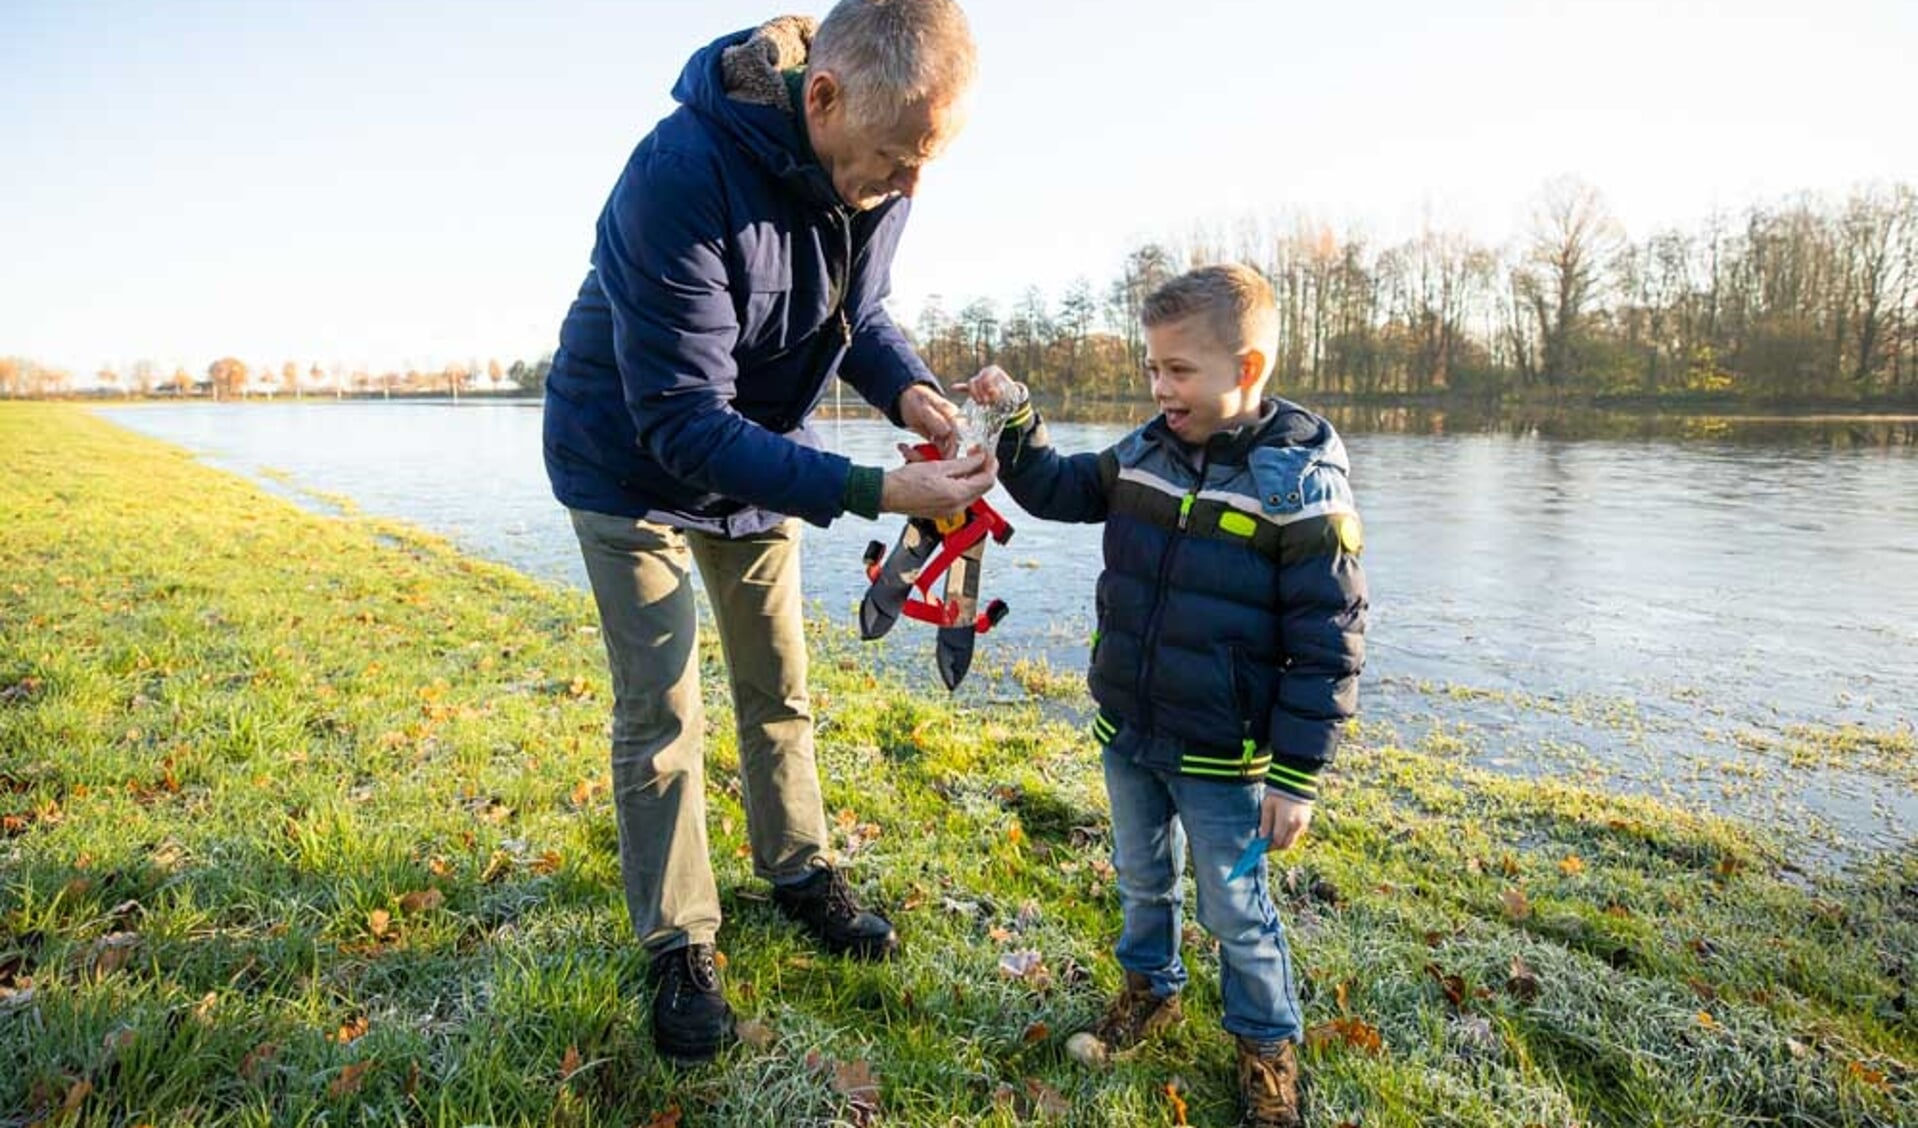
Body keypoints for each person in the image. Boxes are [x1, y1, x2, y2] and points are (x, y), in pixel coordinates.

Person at [540, 0, 988, 1065]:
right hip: (627, 457)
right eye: (896, 160)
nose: (911, 185)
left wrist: (914, 394)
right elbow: (683, 420)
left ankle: (796, 870)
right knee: (661, 707)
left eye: (925, 162)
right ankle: (679, 941)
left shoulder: (879, 163)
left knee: (777, 682)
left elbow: (857, 316)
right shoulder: (676, 174)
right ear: (821, 97)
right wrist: (876, 492)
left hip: (755, 452)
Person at [960, 264, 1367, 1127]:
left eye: (1178, 371)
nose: (1159, 386)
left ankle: (1265, 1047)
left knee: (1235, 909)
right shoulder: (1144, 450)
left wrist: (1296, 778)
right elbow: (1062, 490)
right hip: (1131, 728)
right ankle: (1149, 991)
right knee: (1143, 881)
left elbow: (1328, 642)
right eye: (1153, 367)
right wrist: (1020, 421)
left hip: (1225, 752)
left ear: (1247, 370)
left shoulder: (1299, 486)